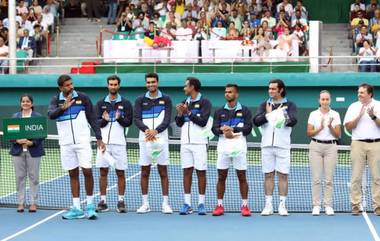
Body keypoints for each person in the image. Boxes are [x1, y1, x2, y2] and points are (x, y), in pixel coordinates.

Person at [48, 75, 106, 220]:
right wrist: (63, 108)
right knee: (72, 174)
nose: (71, 87)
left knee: (87, 171)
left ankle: (90, 206)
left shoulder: (83, 97)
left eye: (71, 84)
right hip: (66, 144)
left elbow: (92, 118)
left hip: (82, 142)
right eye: (67, 85)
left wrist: (99, 137)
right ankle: (77, 208)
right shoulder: (56, 100)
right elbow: (51, 115)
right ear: (61, 88)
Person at [253, 79, 297, 216]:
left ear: (281, 90)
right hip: (266, 145)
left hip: (283, 145)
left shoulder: (289, 105)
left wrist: (278, 114)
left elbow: (292, 121)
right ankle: (268, 205)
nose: (270, 91)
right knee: (268, 175)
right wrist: (268, 114)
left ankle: (282, 205)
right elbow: (256, 121)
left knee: (283, 175)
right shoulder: (264, 105)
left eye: (273, 89)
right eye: (269, 89)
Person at [134, 73, 173, 214]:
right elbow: (137, 118)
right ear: (146, 84)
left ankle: (165, 204)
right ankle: (145, 204)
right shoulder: (140, 100)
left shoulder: (166, 99)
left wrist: (156, 131)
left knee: (163, 171)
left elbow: (167, 119)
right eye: (148, 82)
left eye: (153, 82)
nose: (151, 84)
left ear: (158, 82)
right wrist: (147, 131)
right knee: (145, 172)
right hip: (145, 140)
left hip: (161, 140)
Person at [211, 84, 252, 217]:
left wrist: (233, 129)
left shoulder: (245, 110)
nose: (227, 94)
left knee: (241, 176)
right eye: (226, 92)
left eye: (230, 92)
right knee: (221, 176)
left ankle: (245, 205)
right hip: (223, 147)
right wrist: (223, 130)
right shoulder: (219, 111)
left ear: (236, 94)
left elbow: (248, 129)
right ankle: (219, 205)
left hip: (239, 147)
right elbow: (214, 129)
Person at [95, 75, 133, 213]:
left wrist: (120, 118)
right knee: (103, 172)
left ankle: (121, 201)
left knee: (120, 172)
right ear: (107, 85)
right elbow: (96, 123)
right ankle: (103, 201)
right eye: (111, 84)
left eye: (115, 84)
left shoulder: (126, 103)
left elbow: (129, 122)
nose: (113, 86)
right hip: (104, 144)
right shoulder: (100, 104)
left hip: (119, 144)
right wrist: (104, 120)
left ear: (119, 86)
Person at [175, 77, 211, 215]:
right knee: (187, 172)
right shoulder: (185, 102)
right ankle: (187, 204)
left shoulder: (205, 102)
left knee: (201, 172)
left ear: (192, 87)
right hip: (185, 143)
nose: (184, 88)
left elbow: (202, 122)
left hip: (200, 143)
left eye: (186, 86)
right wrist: (179, 113)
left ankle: (201, 203)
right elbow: (178, 123)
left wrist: (188, 112)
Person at [343, 83, 380, 216]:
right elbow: (348, 126)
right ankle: (355, 205)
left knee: (377, 177)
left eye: (362, 92)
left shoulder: (378, 105)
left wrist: (373, 116)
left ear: (370, 94)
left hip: (376, 144)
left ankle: (377, 206)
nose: (359, 94)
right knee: (356, 177)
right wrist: (359, 116)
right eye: (358, 92)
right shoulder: (353, 106)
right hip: (358, 144)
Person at [306, 90, 341, 216]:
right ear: (319, 100)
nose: (325, 101)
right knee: (316, 179)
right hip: (315, 146)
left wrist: (330, 126)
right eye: (323, 99)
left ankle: (328, 205)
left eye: (327, 99)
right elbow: (309, 133)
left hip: (331, 147)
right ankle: (316, 205)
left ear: (330, 100)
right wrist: (320, 127)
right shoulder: (313, 114)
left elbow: (338, 135)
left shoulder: (335, 114)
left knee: (329, 179)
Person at [10, 94, 45, 213]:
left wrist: (32, 142)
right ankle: (20, 203)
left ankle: (33, 203)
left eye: (28, 101)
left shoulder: (37, 116)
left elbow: (41, 134)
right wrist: (16, 140)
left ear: (32, 103)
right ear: (21, 103)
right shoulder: (15, 117)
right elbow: (11, 134)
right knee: (20, 177)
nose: (25, 103)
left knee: (33, 177)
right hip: (17, 151)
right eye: (23, 101)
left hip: (33, 151)